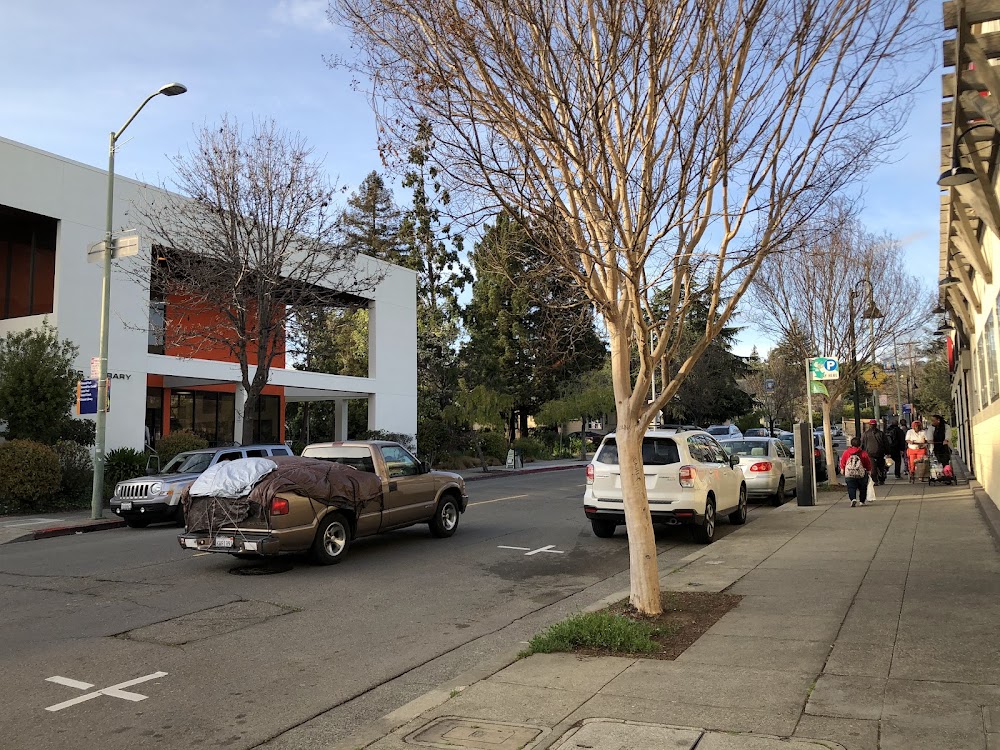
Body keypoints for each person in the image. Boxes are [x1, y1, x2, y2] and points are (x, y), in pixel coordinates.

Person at [840, 437, 873, 507]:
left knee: (851, 487)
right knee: (863, 487)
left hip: (849, 473)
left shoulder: (846, 452)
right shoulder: (863, 453)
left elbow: (843, 462)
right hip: (861, 473)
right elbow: (867, 463)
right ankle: (862, 501)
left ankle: (853, 498)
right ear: (860, 444)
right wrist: (869, 470)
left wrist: (842, 469)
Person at [861, 419, 888, 485]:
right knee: (880, 468)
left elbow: (862, 444)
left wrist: (862, 452)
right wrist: (887, 452)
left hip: (872, 453)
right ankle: (880, 480)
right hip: (878, 453)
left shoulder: (865, 434)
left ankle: (876, 480)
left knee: (874, 468)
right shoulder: (881, 433)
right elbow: (886, 443)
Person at [905, 419, 928, 483]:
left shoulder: (923, 432)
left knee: (921, 463)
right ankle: (912, 475)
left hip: (921, 449)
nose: (917, 428)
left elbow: (926, 440)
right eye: (915, 426)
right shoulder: (910, 432)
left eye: (918, 426)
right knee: (912, 463)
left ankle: (921, 476)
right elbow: (907, 440)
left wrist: (923, 444)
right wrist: (911, 442)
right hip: (912, 449)